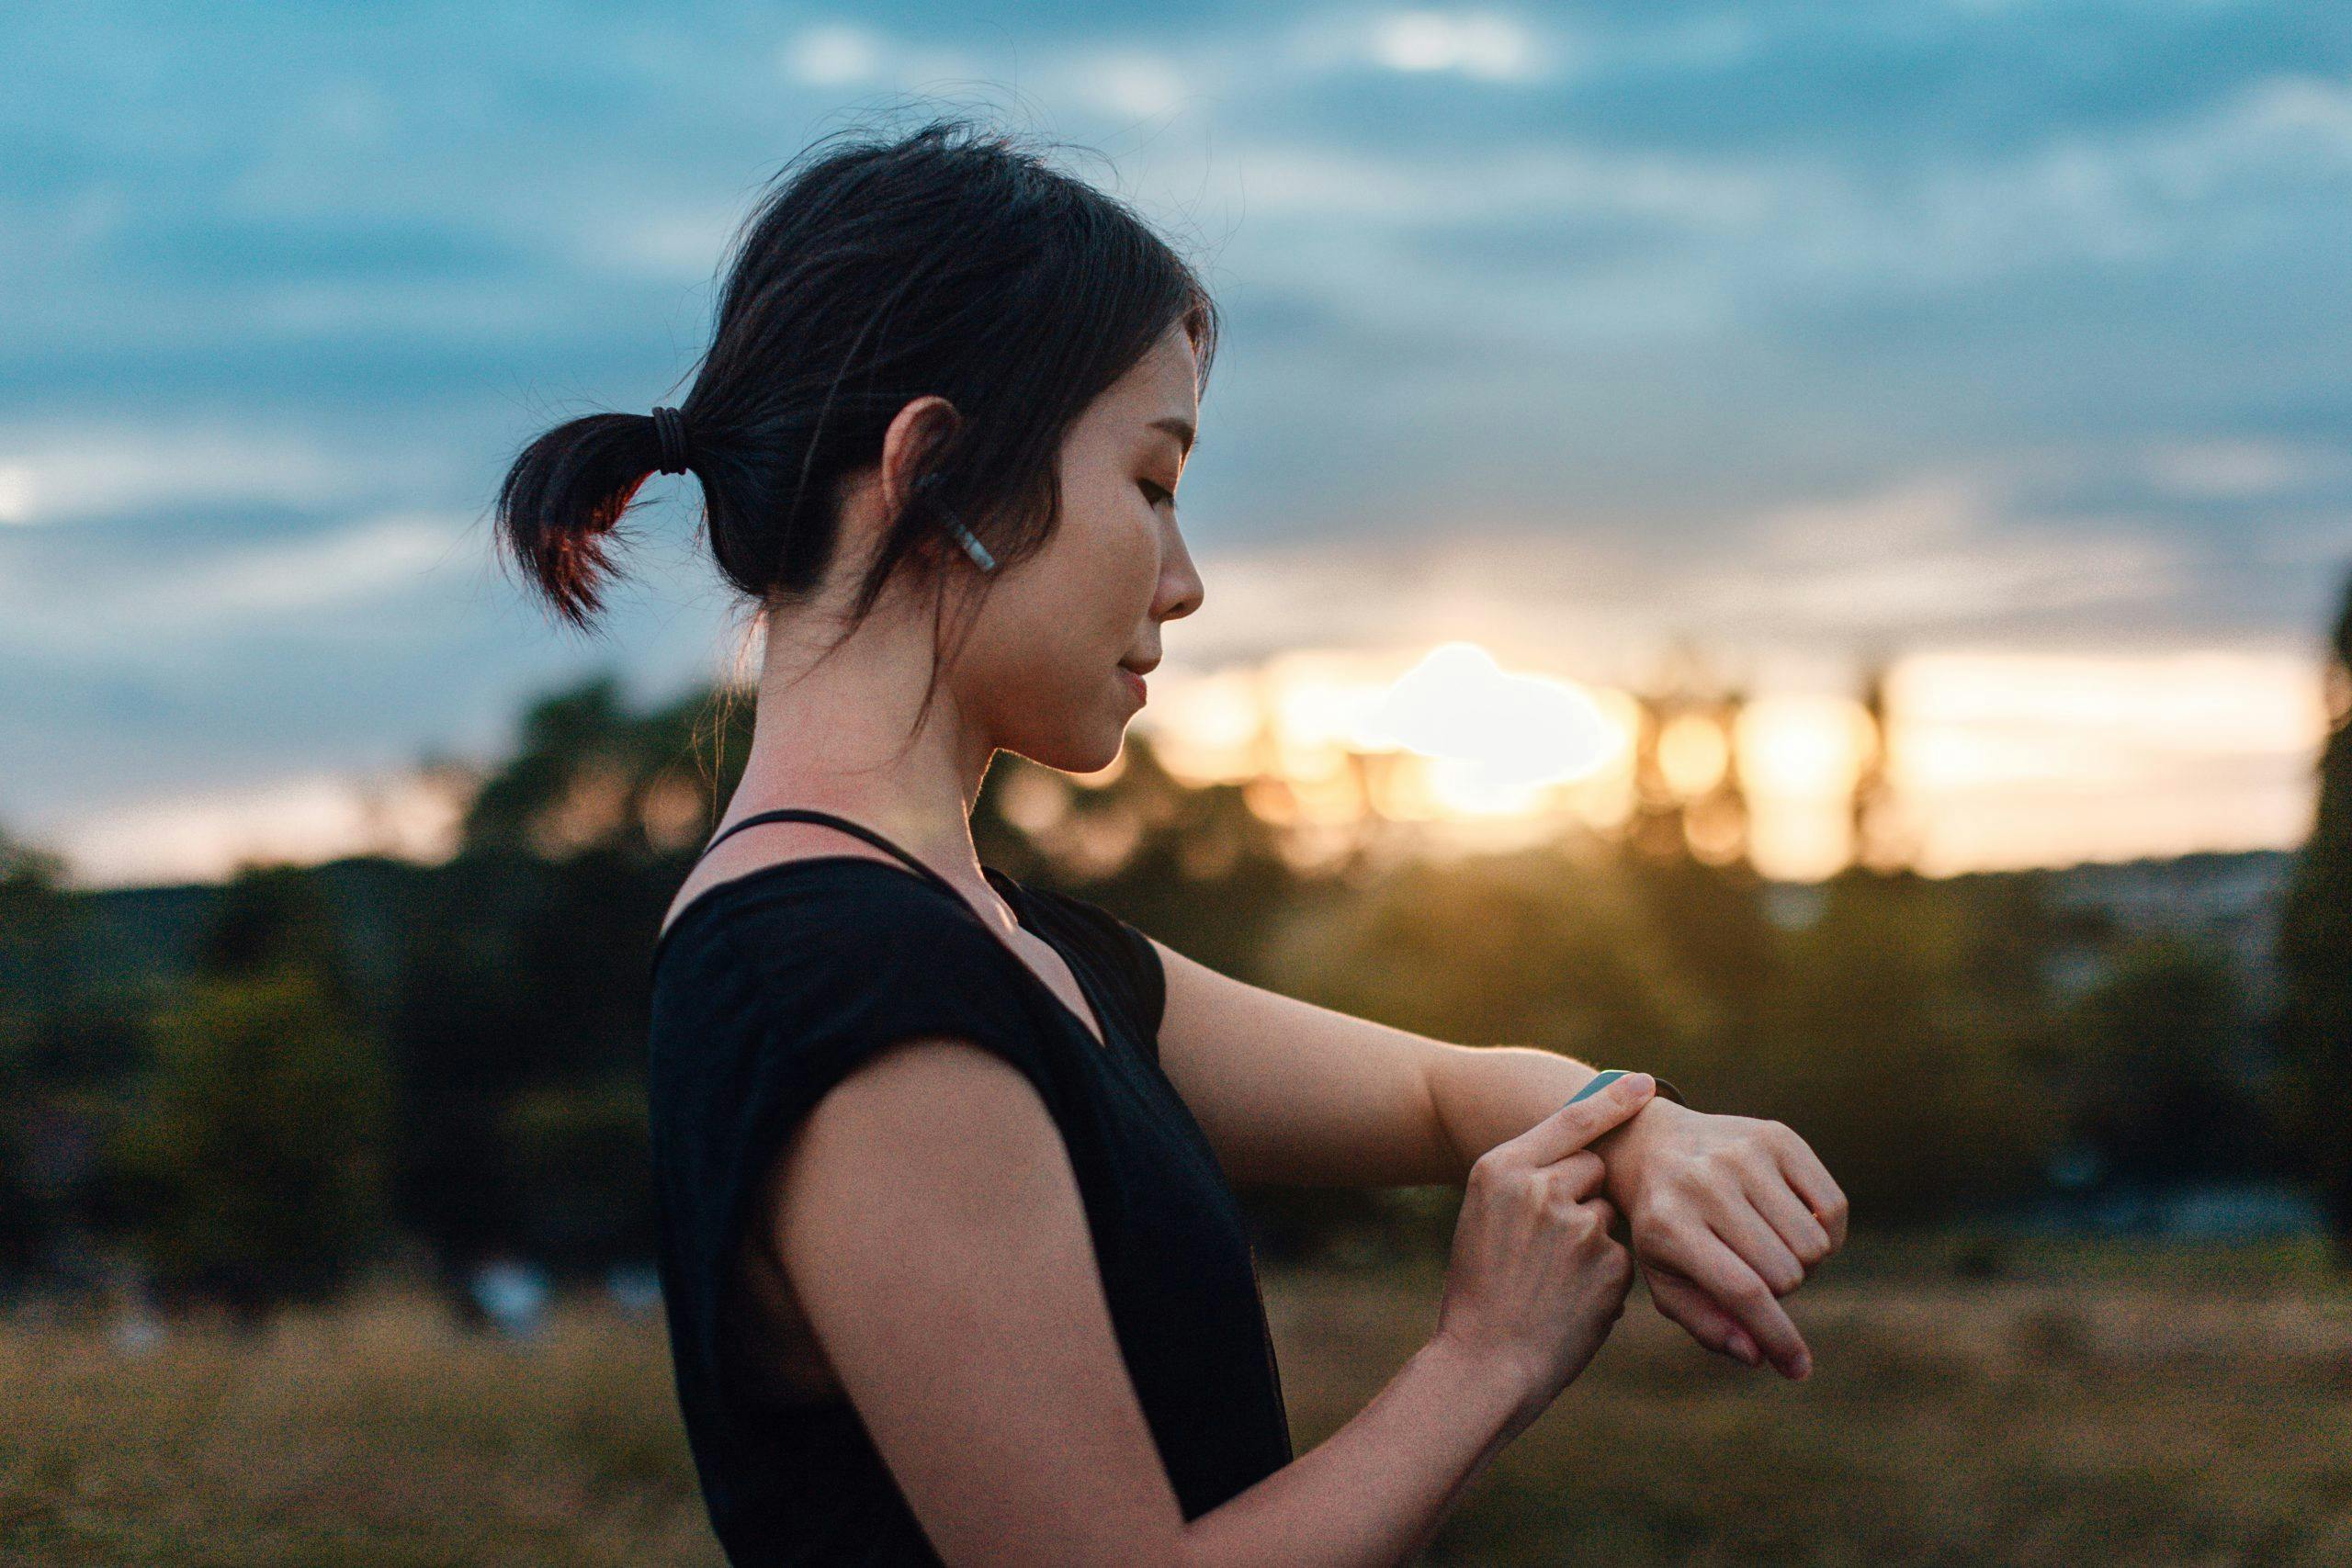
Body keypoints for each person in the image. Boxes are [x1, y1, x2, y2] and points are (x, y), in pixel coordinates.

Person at [492, 115, 1849, 1568]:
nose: (1186, 582)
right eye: (1152, 484)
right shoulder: (856, 991)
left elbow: (1452, 1095)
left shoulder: (1005, 947)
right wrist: (1486, 1360)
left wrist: (1648, 1135)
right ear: (938, 474)